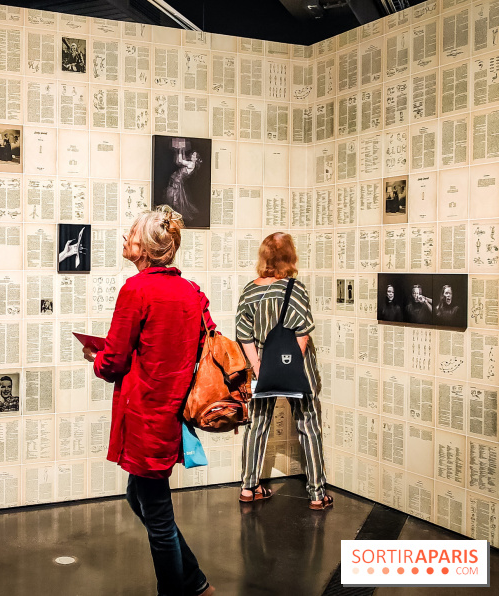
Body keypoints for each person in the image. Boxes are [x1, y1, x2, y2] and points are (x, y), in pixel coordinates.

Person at [83, 205, 215, 596]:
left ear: (145, 249)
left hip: (145, 416)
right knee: (138, 497)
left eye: (132, 233)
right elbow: (203, 341)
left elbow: (114, 362)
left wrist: (97, 358)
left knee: (157, 517)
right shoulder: (192, 292)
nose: (125, 237)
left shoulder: (136, 290)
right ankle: (196, 582)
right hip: (171, 414)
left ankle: (181, 588)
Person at [236, 232, 331, 510]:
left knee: (256, 425)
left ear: (264, 256)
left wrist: (259, 368)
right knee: (308, 425)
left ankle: (248, 487)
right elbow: (301, 334)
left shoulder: (249, 290)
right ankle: (316, 494)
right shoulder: (295, 288)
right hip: (296, 368)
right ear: (290, 257)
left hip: (262, 367)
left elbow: (244, 335)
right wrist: (286, 366)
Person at [165, 142, 201, 221]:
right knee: (174, 198)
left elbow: (180, 161)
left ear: (196, 159)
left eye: (194, 155)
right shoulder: (190, 163)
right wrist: (181, 150)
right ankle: (172, 214)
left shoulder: (191, 164)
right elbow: (179, 161)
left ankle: (173, 215)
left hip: (177, 182)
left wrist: (180, 149)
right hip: (176, 180)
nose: (192, 155)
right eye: (192, 154)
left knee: (174, 199)